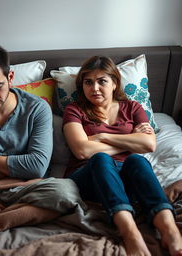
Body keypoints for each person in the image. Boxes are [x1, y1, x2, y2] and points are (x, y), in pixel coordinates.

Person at [62, 56, 182, 255]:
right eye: (88, 82)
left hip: (127, 179)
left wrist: (100, 137)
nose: (95, 88)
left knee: (137, 160)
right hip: (88, 177)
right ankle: (130, 231)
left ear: (114, 83)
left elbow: (149, 144)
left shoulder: (132, 107)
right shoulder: (74, 110)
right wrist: (130, 140)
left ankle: (168, 227)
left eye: (102, 81)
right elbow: (81, 150)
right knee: (101, 158)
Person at [0, 45, 81, 218]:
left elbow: (37, 167)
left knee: (65, 191)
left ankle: (3, 215)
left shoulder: (37, 108)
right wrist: (16, 171)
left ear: (10, 77)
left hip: (31, 189)